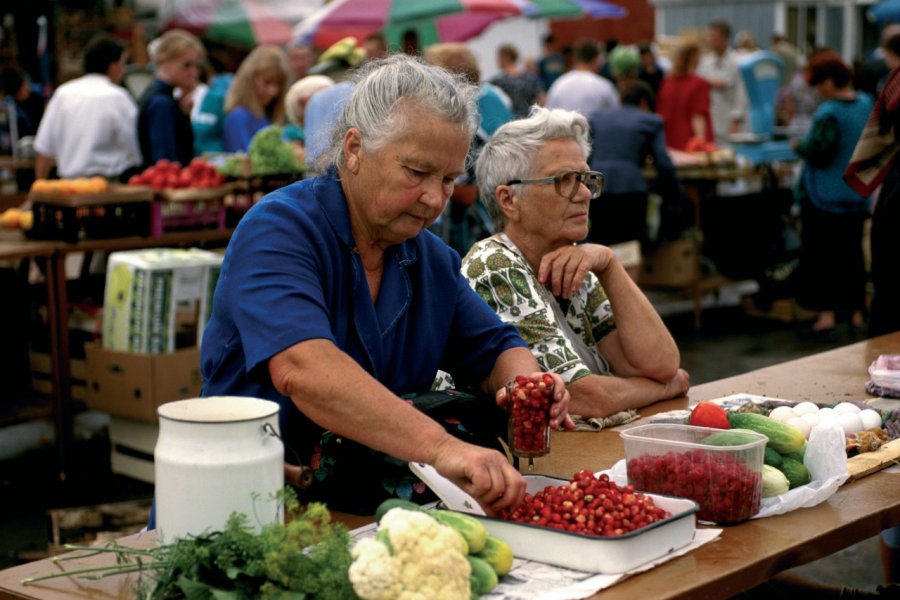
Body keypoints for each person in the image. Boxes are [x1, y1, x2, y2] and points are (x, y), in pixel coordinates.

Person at [199, 54, 574, 515]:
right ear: (354, 149)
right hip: (248, 508)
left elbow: (494, 347)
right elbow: (304, 369)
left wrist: (526, 383)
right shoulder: (279, 230)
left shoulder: (428, 258)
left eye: (449, 179)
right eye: (416, 173)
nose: (435, 198)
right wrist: (440, 448)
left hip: (361, 511)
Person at [463, 106, 690, 419]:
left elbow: (660, 365)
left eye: (585, 178)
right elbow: (585, 397)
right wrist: (665, 389)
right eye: (565, 180)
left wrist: (609, 265)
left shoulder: (572, 260)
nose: (584, 193)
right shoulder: (494, 264)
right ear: (509, 200)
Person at [792, 53, 872, 338]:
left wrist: (798, 146)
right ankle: (856, 311)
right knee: (852, 256)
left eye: (818, 84)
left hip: (825, 196)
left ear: (828, 82)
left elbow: (819, 151)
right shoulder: (866, 104)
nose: (816, 90)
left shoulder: (829, 112)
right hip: (858, 193)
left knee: (823, 256)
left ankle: (826, 316)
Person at [424, 42, 513, 255]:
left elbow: (467, 193)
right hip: (507, 215)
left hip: (474, 227)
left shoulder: (458, 115)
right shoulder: (494, 96)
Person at [586, 80, 680, 249]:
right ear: (644, 102)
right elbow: (663, 162)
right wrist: (674, 193)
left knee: (601, 244)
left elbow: (588, 156)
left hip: (598, 187)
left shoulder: (597, 117)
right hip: (630, 187)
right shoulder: (651, 120)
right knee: (631, 247)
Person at [34, 33, 141, 180]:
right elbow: (133, 149)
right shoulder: (118, 97)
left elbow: (44, 149)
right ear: (113, 66)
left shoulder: (62, 94)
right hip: (109, 189)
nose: (123, 71)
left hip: (68, 188)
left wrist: (39, 191)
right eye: (122, 64)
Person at [137, 29, 204, 168]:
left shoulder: (165, 98)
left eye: (196, 66)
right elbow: (166, 164)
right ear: (164, 62)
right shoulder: (161, 103)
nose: (193, 72)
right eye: (186, 65)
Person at [222, 45, 290, 153]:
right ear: (249, 79)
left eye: (278, 84)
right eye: (267, 82)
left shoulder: (266, 117)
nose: (273, 91)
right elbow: (245, 163)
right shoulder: (239, 117)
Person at [656, 40, 715, 151]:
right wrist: (701, 142)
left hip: (668, 143)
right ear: (695, 59)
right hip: (690, 144)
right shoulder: (699, 84)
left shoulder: (666, 83)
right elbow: (698, 116)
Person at [698, 20, 749, 147]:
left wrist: (736, 119)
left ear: (725, 38)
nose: (710, 40)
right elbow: (698, 85)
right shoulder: (705, 63)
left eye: (714, 37)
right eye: (709, 37)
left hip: (729, 122)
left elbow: (741, 94)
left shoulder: (737, 63)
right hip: (711, 121)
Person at [546, 39, 619, 117]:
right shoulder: (604, 86)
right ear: (596, 59)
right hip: (594, 129)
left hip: (565, 128)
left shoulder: (558, 85)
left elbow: (549, 115)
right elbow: (616, 115)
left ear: (575, 58)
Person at [490, 43, 545, 118]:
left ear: (504, 57)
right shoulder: (530, 77)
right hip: (530, 120)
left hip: (511, 123)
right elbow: (541, 99)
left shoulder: (498, 81)